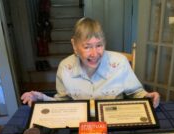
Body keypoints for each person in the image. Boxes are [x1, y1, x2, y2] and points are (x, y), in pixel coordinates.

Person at [21, 17, 160, 109]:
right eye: (87, 47)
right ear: (75, 46)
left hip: (113, 120)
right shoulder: (65, 68)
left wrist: (147, 96)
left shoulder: (120, 63)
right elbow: (63, 103)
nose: (94, 53)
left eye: (99, 45)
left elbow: (136, 92)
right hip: (80, 124)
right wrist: (41, 98)